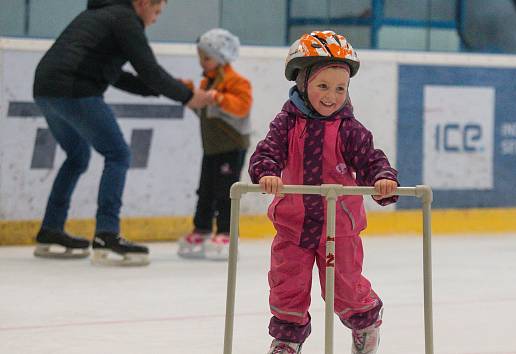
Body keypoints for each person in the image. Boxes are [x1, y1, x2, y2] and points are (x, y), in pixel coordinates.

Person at [249, 30, 399, 354]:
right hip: (293, 226)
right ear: (303, 83)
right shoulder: (286, 124)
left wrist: (383, 179)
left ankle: (365, 322)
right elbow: (267, 153)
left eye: (340, 88)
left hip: (339, 227)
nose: (331, 96)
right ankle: (287, 340)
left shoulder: (350, 129)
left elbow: (372, 160)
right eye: (322, 86)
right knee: (287, 285)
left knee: (344, 288)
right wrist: (267, 172)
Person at [32, 0, 211, 266]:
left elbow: (115, 75)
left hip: (46, 90)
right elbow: (149, 70)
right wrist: (187, 96)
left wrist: (163, 89)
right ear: (142, 3)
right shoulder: (125, 20)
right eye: (157, 11)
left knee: (78, 156)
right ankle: (106, 233)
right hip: (74, 89)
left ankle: (50, 230)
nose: (156, 18)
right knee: (118, 154)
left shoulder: (104, 16)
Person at [176, 28, 253, 260]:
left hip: (231, 146)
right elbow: (205, 111)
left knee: (225, 191)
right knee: (206, 188)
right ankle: (202, 228)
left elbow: (242, 106)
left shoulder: (236, 82)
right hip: (211, 147)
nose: (202, 62)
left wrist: (217, 97)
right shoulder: (207, 82)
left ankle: (226, 232)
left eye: (206, 58)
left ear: (220, 58)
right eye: (200, 57)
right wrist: (189, 93)